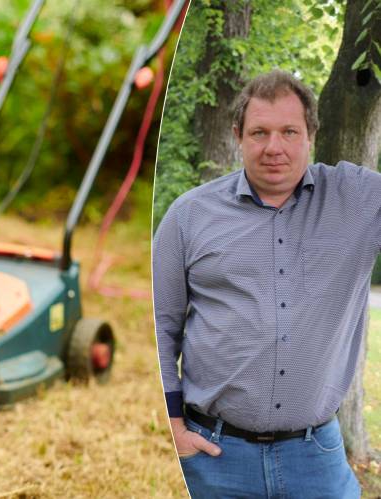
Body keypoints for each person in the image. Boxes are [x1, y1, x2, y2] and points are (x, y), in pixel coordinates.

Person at [153, 69, 367, 498]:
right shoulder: (189, 215)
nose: (274, 147)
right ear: (238, 135)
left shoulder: (359, 200)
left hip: (316, 458)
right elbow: (158, 325)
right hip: (213, 457)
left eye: (289, 131)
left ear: (311, 134)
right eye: (259, 133)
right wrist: (171, 426)